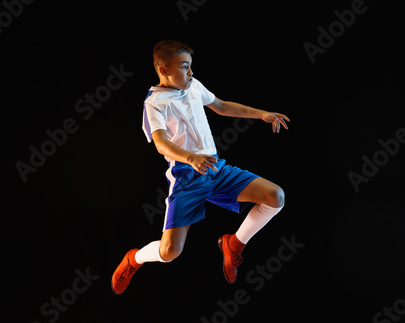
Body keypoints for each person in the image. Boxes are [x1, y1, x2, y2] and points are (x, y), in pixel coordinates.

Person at [111, 40, 290, 294]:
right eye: (185, 67)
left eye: (190, 66)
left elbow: (221, 106)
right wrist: (190, 158)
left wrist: (262, 114)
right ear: (164, 70)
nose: (191, 72)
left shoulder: (193, 86)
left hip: (215, 169)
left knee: (276, 197)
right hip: (187, 178)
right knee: (170, 251)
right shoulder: (153, 103)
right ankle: (133, 259)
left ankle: (234, 245)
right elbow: (161, 144)